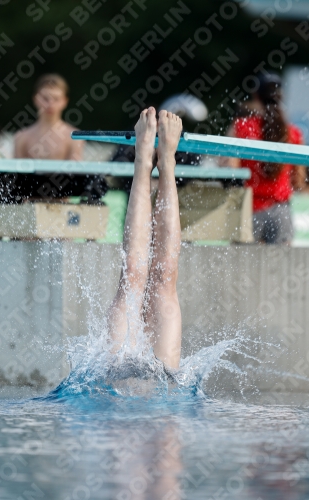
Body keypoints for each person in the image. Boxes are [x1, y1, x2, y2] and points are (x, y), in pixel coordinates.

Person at [107, 107, 183, 370]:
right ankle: (147, 161)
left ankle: (161, 161)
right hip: (137, 394)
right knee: (140, 276)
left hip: (154, 399)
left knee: (145, 278)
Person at [229, 73, 306, 244]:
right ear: (281, 97)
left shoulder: (241, 127)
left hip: (247, 211)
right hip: (281, 212)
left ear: (256, 96)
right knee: (280, 269)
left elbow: (230, 172)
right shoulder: (293, 133)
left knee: (239, 268)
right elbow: (299, 181)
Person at [14, 73, 83, 160]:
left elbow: (75, 172)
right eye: (45, 98)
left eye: (56, 99)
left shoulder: (75, 137)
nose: (50, 104)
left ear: (64, 101)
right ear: (36, 99)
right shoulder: (21, 137)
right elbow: (17, 172)